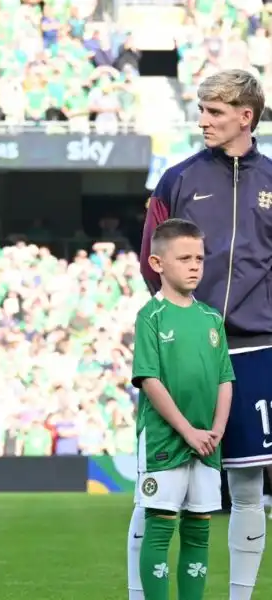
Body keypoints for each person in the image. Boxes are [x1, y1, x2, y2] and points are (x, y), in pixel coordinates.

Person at [128, 68, 272, 600]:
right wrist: (181, 318)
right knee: (157, 493)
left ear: (245, 116)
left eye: (214, 111)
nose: (203, 119)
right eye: (202, 109)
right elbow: (151, 257)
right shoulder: (178, 178)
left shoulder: (271, 181)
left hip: (257, 348)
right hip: (184, 349)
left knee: (249, 485)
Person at [132, 218, 234, 600]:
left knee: (199, 529)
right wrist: (187, 431)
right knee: (160, 528)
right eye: (185, 258)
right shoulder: (151, 317)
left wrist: (217, 429)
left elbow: (226, 378)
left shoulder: (211, 318)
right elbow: (149, 380)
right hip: (164, 441)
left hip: (208, 443)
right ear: (157, 264)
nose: (195, 266)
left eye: (200, 258)